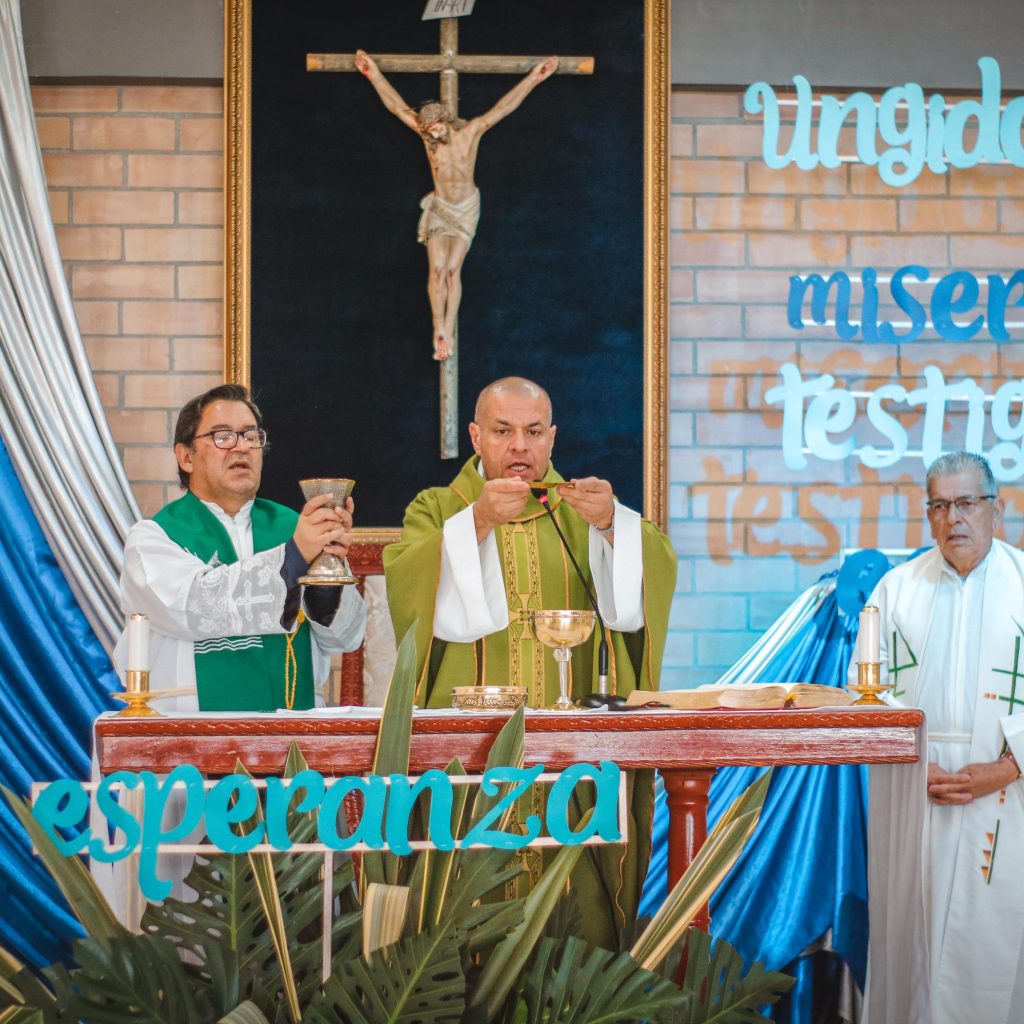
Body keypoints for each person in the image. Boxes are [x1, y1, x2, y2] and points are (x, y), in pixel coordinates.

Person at [850, 451, 1024, 1024]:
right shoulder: (896, 590)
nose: (954, 518)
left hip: (1009, 792)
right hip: (915, 791)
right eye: (940, 506)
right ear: (928, 515)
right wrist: (910, 762)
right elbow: (862, 693)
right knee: (912, 942)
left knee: (996, 948)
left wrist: (1007, 767)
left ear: (996, 509)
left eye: (967, 503)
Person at [383, 376, 677, 709]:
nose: (519, 446)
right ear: (476, 437)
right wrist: (478, 521)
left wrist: (611, 523)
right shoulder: (437, 507)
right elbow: (407, 582)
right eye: (502, 431)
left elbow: (657, 564)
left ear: (551, 439)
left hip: (572, 728)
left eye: (534, 432)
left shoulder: (588, 510)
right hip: (469, 725)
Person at [112, 384, 366, 712]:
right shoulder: (153, 539)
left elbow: (346, 637)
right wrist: (295, 557)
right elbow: (197, 607)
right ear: (186, 456)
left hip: (293, 732)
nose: (241, 447)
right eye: (222, 436)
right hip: (194, 733)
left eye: (251, 435)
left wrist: (325, 579)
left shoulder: (294, 529)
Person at [354, 50, 559, 361]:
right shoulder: (429, 140)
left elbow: (503, 108)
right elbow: (396, 106)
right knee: (437, 269)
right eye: (428, 131)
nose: (433, 135)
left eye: (436, 129)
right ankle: (439, 328)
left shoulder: (469, 133)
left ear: (444, 120)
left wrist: (534, 78)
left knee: (452, 270)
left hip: (465, 208)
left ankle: (449, 327)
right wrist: (373, 74)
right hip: (440, 207)